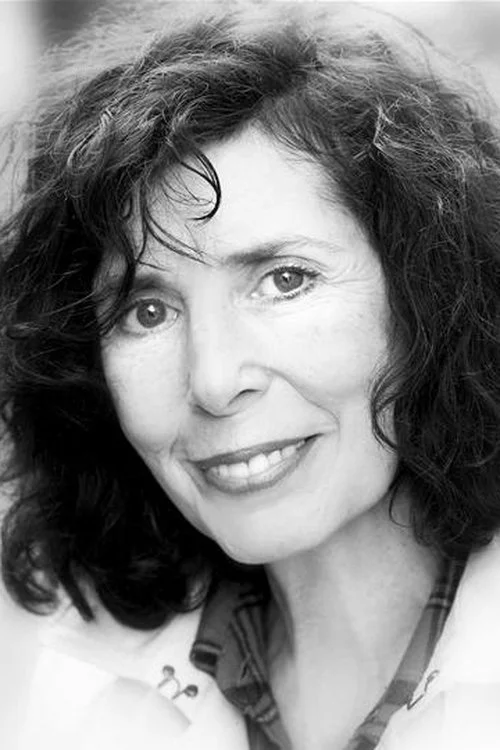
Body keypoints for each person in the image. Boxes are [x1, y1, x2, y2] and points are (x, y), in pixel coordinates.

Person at [1, 2, 500, 748]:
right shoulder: (81, 696)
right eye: (147, 311)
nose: (213, 379)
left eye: (284, 280)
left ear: (430, 294)